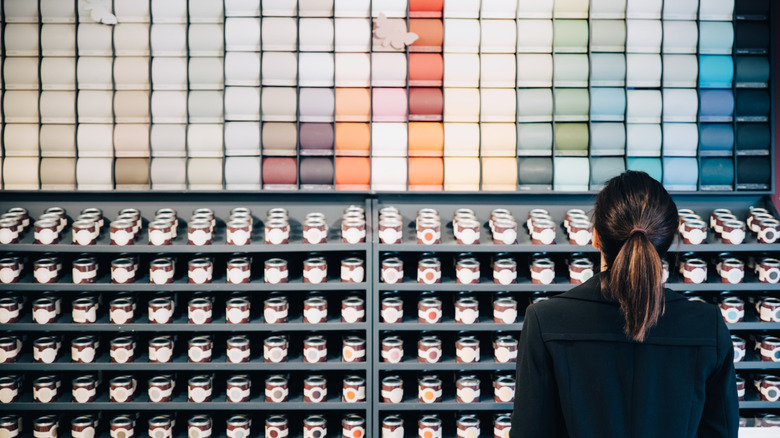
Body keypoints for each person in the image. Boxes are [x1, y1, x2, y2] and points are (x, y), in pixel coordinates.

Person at [510, 171, 738, 438]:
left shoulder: (545, 320)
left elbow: (530, 432)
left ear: (596, 237)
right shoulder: (706, 325)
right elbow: (721, 432)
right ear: (667, 242)